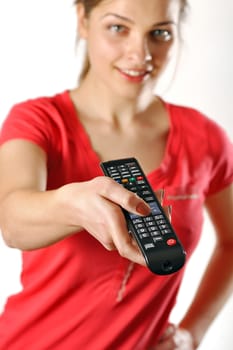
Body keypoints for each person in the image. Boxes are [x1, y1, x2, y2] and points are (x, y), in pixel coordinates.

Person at [0, 0, 232, 348]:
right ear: (83, 19)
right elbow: (12, 219)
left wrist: (191, 333)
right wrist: (72, 204)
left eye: (160, 33)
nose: (140, 54)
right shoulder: (38, 121)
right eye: (118, 27)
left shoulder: (206, 139)